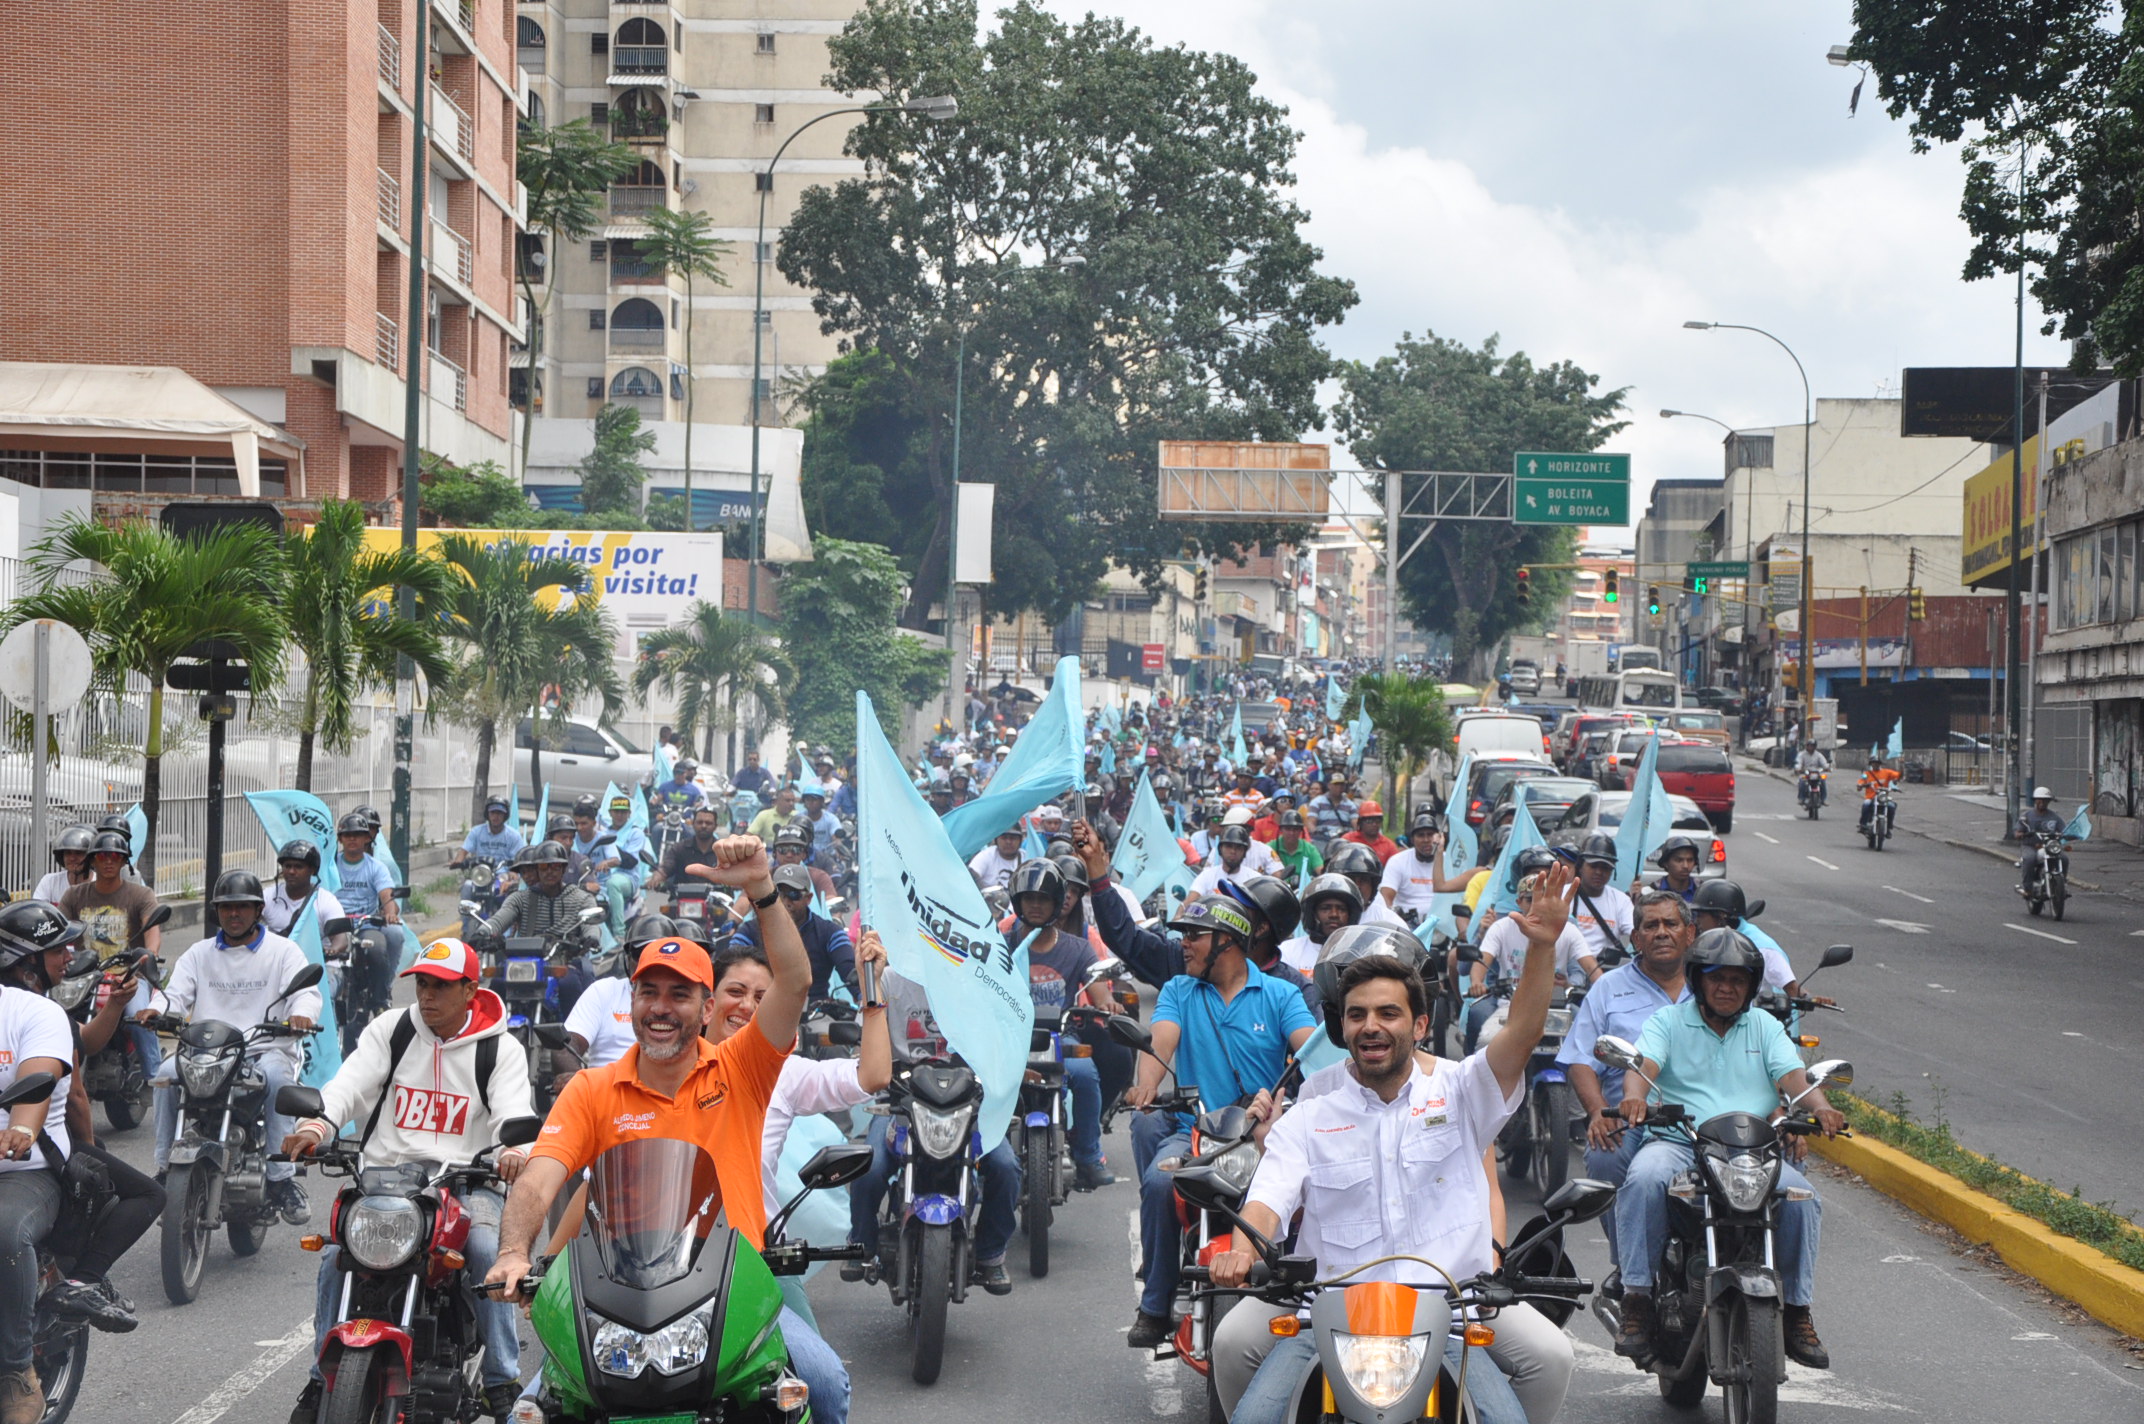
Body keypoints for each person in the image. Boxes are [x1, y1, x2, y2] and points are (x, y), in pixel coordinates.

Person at [483, 838, 851, 1418]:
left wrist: (761, 888)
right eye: (649, 992)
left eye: (680, 994)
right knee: (528, 1414)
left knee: (825, 1385)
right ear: (630, 1003)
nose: (662, 1006)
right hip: (615, 1296)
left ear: (706, 1009)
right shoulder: (591, 1089)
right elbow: (539, 1179)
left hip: (736, 1288)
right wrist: (513, 1252)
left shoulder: (743, 1069)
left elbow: (796, 981)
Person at [1209, 864, 1582, 1424]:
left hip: (1452, 1317)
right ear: (1343, 1029)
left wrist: (1543, 947)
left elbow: (1523, 1034)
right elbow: (1268, 1198)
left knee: (1539, 1375)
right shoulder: (1309, 1114)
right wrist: (1243, 1248)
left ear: (1420, 1024)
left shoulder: (1462, 1092)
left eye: (1388, 1013)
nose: (1371, 1026)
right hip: (1324, 1320)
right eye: (1357, 1015)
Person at [281, 938, 535, 1424]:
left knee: (486, 1252)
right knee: (336, 1257)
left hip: (465, 1182)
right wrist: (319, 1124)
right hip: (384, 1183)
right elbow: (349, 1085)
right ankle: (319, 1380)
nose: (427, 996)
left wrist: (514, 1152)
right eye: (421, 984)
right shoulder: (392, 1030)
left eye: (440, 986)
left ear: (470, 989)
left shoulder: (499, 1049)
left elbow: (513, 1114)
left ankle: (503, 1380)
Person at [1612, 928, 1844, 1373]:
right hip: (1683, 1143)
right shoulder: (1669, 1022)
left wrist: (1822, 1107)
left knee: (1802, 1198)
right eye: (1717, 977)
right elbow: (1644, 1065)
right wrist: (1635, 1096)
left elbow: (1794, 1076)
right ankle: (1637, 1298)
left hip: (1752, 1152)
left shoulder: (1764, 1025)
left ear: (1751, 986)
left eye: (1737, 980)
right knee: (1642, 1179)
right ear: (1699, 980)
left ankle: (1796, 1310)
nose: (1726, 987)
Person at [1124, 896, 1317, 1349]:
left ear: (1227, 941)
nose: (1183, 944)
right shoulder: (1178, 991)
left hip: (1263, 1139)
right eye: (1182, 935)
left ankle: (1304, 1298)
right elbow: (1160, 1042)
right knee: (1157, 1182)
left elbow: (1310, 1048)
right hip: (1192, 1133)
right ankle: (1155, 1304)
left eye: (1194, 935)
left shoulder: (1280, 994)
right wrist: (1146, 1084)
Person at [709, 928, 891, 1348]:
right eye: (735, 991)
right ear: (707, 1001)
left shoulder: (784, 1073)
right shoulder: (668, 1068)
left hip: (756, 1261)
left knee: (824, 1385)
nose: (746, 1006)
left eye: (762, 998)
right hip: (662, 1264)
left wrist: (871, 990)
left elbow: (873, 1075)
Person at [1, 901, 164, 1339]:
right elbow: (74, 1095)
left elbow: (84, 1045)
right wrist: (85, 1151)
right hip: (50, 1149)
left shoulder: (42, 1009)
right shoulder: (33, 1009)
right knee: (147, 1194)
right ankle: (86, 1279)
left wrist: (113, 1005)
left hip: (32, 1151)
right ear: (27, 961)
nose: (69, 957)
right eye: (57, 950)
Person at [148, 872, 319, 1221]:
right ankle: (166, 1167)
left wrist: (301, 1014)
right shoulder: (199, 954)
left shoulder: (283, 951)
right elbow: (174, 995)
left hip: (263, 1048)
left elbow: (305, 994)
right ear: (217, 912)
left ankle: (280, 1179)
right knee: (165, 1075)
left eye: (243, 906)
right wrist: (157, 1010)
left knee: (277, 1082)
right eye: (227, 908)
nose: (235, 914)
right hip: (206, 1050)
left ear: (258, 910)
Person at [1557, 888, 1692, 1266]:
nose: (1661, 932)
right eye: (1650, 925)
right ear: (1636, 938)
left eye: (1671, 924)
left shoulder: (1713, 986)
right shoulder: (1608, 988)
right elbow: (1581, 1058)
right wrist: (1598, 1111)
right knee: (1604, 1156)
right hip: (1629, 1115)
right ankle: (1631, 1268)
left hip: (1701, 1114)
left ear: (1690, 933)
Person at [0, 913, 75, 1424]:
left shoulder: (33, 1012)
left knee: (4, 1231)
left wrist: (21, 1128)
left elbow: (38, 1081)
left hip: (23, 1173)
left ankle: (14, 1369)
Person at [1004, 860, 1115, 1190]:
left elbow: (1098, 992)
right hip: (1009, 1041)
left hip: (1057, 1037)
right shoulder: (1000, 946)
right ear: (1018, 902)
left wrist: (1108, 1005)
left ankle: (1089, 1155)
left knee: (1085, 1073)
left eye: (1043, 899)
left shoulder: (1078, 949)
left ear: (1056, 903)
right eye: (1029, 899)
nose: (1035, 906)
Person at [1464, 864, 1596, 1053]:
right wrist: (1476, 982)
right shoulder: (1502, 927)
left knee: (1588, 1043)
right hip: (1510, 1006)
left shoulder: (1569, 930)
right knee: (1484, 1039)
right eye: (1529, 899)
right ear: (1519, 902)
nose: (1536, 905)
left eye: (1542, 899)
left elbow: (1591, 967)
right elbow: (1482, 960)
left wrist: (1603, 989)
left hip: (1556, 1008)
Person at [730, 865, 858, 1001]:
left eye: (793, 894)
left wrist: (864, 998)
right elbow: (732, 966)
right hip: (761, 1010)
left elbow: (849, 968)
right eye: (778, 894)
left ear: (808, 898)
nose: (785, 901)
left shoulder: (831, 932)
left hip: (816, 1014)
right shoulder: (749, 931)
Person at [1565, 833, 1634, 964]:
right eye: (1593, 866)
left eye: (1605, 868)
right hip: (1565, 968)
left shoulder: (1621, 900)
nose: (1599, 872)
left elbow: (1636, 932)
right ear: (1580, 865)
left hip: (1605, 971)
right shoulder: (1561, 894)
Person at [587, 792, 650, 936]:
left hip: (627, 878)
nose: (620, 815)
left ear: (629, 813)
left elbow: (630, 861)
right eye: (616, 811)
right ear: (610, 813)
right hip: (601, 877)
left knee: (613, 884)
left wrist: (610, 851)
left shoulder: (635, 833)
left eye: (623, 812)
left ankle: (619, 933)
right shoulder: (603, 833)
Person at [1279, 873, 1362, 974]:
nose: (1334, 914)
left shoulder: (1362, 954)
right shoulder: (1288, 950)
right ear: (1312, 913)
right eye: (1325, 908)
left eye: (1341, 909)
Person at [1376, 812, 1444, 922]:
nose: (1426, 840)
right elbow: (1386, 898)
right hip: (1406, 924)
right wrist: (1390, 915)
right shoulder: (1397, 861)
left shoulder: (1449, 862)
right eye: (1421, 835)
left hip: (1441, 925)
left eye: (1430, 834)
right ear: (1412, 839)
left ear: (1438, 837)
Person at [647, 803, 723, 898]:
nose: (703, 826)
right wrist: (657, 877)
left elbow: (734, 872)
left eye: (708, 823)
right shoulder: (680, 848)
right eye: (700, 822)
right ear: (693, 824)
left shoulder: (724, 851)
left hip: (716, 902)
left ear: (715, 826)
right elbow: (666, 867)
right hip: (682, 900)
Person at [451, 797, 525, 870]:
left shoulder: (514, 836)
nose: (496, 816)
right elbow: (463, 851)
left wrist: (513, 872)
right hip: (480, 874)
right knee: (467, 882)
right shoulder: (476, 832)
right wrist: (458, 862)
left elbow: (518, 859)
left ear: (505, 815)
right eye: (492, 813)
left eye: (499, 813)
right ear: (487, 814)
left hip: (503, 876)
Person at [771, 824, 838, 904]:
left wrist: (833, 907)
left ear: (804, 854)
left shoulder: (819, 877)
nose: (789, 855)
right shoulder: (766, 877)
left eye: (796, 849)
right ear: (775, 853)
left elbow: (830, 899)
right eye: (783, 849)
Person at [32, 825, 95, 906]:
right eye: (68, 853)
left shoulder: (101, 885)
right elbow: (38, 910)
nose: (72, 858)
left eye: (78, 853)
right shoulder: (49, 882)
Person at [1188, 823, 1255, 897]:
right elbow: (1190, 901)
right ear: (1220, 849)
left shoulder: (1253, 879)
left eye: (1238, 847)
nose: (1233, 851)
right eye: (1228, 846)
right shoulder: (1207, 876)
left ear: (1244, 852)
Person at [2017, 786, 2066, 883]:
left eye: (2046, 800)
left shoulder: (2054, 816)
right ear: (2035, 801)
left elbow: (2063, 830)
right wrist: (2021, 834)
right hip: (2030, 845)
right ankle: (2028, 888)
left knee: (2064, 859)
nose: (2042, 803)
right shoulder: (2026, 816)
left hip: (2049, 846)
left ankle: (2062, 883)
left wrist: (2068, 834)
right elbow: (2018, 831)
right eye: (2040, 800)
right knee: (2029, 859)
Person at [1267, 809, 1322, 883]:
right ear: (1281, 830)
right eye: (1288, 829)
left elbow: (1320, 871)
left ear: (1301, 831)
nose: (1291, 833)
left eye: (1295, 829)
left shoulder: (1310, 849)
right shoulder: (1270, 848)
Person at [1342, 800, 1401, 865]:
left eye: (1377, 820)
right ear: (1360, 822)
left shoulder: (1389, 846)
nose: (1374, 824)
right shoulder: (1348, 840)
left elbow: (1396, 868)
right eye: (1369, 821)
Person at [969, 826, 1025, 892]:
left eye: (1013, 838)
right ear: (996, 840)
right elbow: (970, 877)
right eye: (1004, 838)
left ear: (1020, 841)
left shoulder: (1027, 857)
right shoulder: (986, 855)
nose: (1008, 842)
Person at [1649, 835, 1702, 902]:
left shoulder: (1702, 890)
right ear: (1666, 863)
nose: (1685, 866)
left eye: (1690, 860)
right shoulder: (1652, 892)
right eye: (1679, 860)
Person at [1858, 753, 1901, 834]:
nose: (1876, 764)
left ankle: (1889, 826)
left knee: (1892, 806)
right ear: (1871, 764)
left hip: (1882, 797)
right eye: (1874, 763)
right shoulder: (1866, 774)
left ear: (1880, 764)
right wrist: (1861, 785)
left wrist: (1897, 778)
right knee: (1866, 805)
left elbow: (1899, 776)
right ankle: (1863, 824)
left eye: (1877, 763)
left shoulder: (1887, 772)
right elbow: (1860, 783)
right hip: (1870, 797)